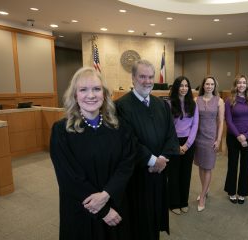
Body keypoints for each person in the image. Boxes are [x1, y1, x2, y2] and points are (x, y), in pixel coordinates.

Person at [50, 67, 135, 240]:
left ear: (104, 94)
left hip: (115, 202)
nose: (91, 95)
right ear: (75, 95)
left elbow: (127, 164)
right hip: (82, 209)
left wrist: (106, 194)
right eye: (83, 90)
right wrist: (103, 210)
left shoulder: (119, 126)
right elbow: (69, 178)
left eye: (96, 89)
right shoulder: (61, 131)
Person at [115, 59, 179, 240]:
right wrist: (152, 160)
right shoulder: (121, 106)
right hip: (137, 175)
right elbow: (127, 141)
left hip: (159, 172)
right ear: (133, 78)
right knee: (138, 219)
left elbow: (171, 135)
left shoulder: (161, 105)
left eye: (150, 77)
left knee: (155, 215)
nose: (148, 81)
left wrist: (163, 159)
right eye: (142, 76)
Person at [224, 74, 248, 204]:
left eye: (244, 82)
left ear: (247, 85)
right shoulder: (229, 100)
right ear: (235, 85)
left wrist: (246, 135)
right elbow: (228, 120)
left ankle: (243, 192)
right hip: (233, 137)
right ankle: (232, 191)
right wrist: (238, 135)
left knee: (245, 165)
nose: (241, 85)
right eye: (239, 83)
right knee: (232, 164)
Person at [167, 76, 199, 215]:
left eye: (186, 86)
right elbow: (168, 127)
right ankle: (173, 202)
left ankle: (183, 201)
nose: (184, 88)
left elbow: (195, 125)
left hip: (188, 142)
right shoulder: (168, 104)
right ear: (176, 87)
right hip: (173, 143)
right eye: (181, 85)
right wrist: (177, 145)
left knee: (186, 174)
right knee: (173, 174)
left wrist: (187, 145)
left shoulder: (193, 103)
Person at [194, 76, 225, 212]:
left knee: (208, 167)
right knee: (201, 166)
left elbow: (221, 122)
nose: (209, 86)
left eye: (212, 84)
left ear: (214, 86)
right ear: (203, 85)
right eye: (207, 84)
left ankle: (202, 197)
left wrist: (218, 140)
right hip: (198, 138)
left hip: (211, 138)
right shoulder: (196, 100)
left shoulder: (219, 101)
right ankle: (204, 190)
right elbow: (194, 120)